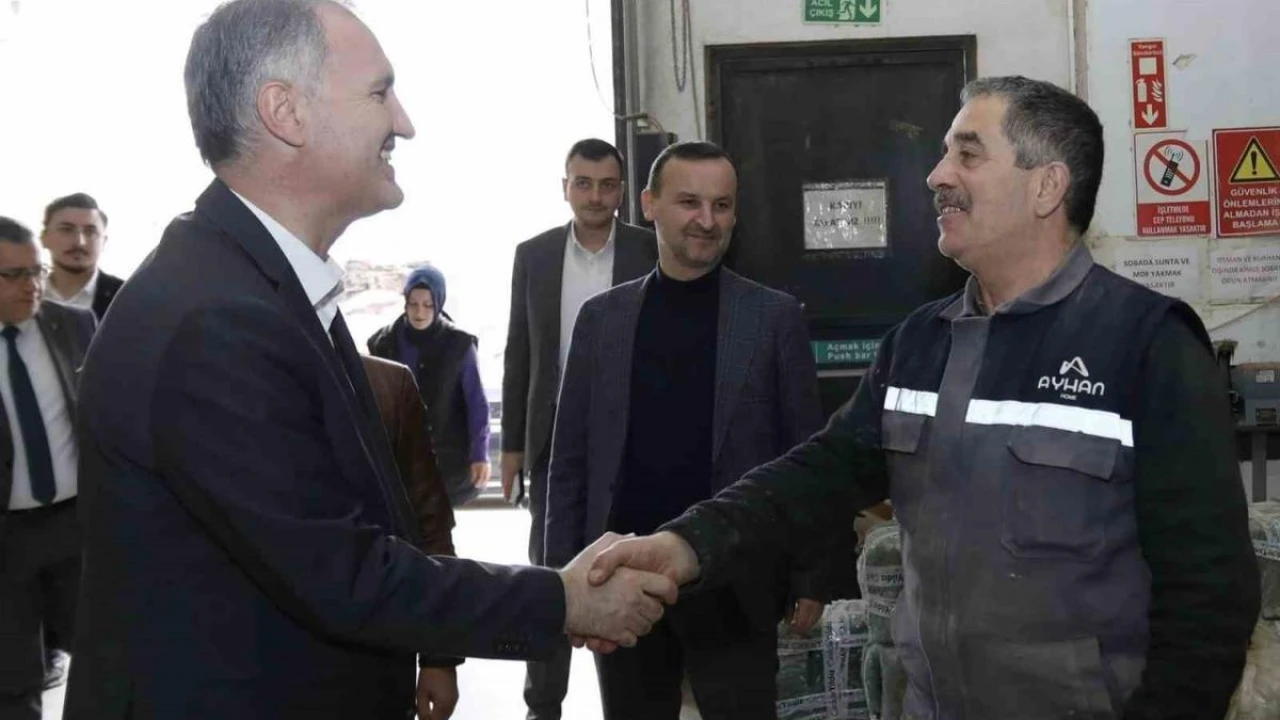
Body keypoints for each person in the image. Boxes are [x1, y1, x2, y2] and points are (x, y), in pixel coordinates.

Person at [64, 2, 676, 719]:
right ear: (286, 112)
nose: (404, 123)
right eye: (380, 93)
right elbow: (342, 574)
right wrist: (562, 599)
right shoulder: (216, 319)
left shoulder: (258, 285)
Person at [586, 77, 1261, 720]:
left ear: (1047, 186)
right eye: (942, 155)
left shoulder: (1146, 343)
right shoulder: (919, 343)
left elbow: (1211, 597)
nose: (937, 175)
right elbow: (816, 476)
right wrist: (685, 543)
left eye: (967, 154)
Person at [545, 141, 830, 720]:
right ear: (649, 204)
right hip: (621, 576)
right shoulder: (601, 321)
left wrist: (811, 574)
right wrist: (561, 580)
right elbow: (571, 459)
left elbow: (805, 456)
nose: (707, 220)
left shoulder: (773, 318)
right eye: (689, 202)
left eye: (722, 205)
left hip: (736, 577)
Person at [501, 137, 657, 720]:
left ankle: (633, 700)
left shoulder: (648, 249)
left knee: (629, 566)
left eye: (607, 185)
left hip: (634, 439)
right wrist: (513, 446)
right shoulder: (535, 255)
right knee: (550, 571)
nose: (595, 196)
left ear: (623, 191)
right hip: (553, 442)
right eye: (583, 183)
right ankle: (542, 704)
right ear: (564, 187)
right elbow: (521, 350)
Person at [0, 217, 95, 720]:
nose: (31, 285)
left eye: (35, 271)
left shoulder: (75, 325)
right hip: (7, 538)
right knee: (14, 677)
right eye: (13, 275)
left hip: (75, 525)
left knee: (106, 652)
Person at [362, 354, 459, 718]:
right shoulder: (235, 376)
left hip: (374, 651)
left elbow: (430, 526)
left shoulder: (388, 385)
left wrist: (439, 658)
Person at [368, 264, 490, 507]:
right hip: (397, 456)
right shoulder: (383, 343)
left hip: (446, 456)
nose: (419, 312)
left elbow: (476, 403)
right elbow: (372, 402)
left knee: (437, 520)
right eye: (413, 303)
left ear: (439, 304)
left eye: (427, 304)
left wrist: (479, 454)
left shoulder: (459, 345)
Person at [39, 193, 125, 321]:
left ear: (104, 242)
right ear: (43, 238)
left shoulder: (126, 296)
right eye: (66, 230)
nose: (80, 242)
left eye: (90, 231)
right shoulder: (21, 295)